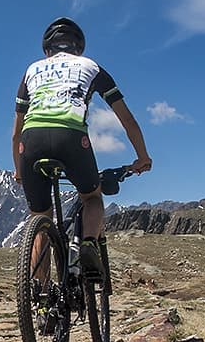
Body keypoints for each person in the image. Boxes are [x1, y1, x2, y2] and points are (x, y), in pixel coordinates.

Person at [12, 17, 152, 276]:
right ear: (79, 48)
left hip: (31, 140)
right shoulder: (91, 66)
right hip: (72, 137)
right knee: (92, 197)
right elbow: (127, 119)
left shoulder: (32, 70)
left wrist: (19, 171)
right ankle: (87, 244)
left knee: (39, 215)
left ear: (46, 50)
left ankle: (41, 303)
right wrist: (142, 156)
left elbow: (15, 133)